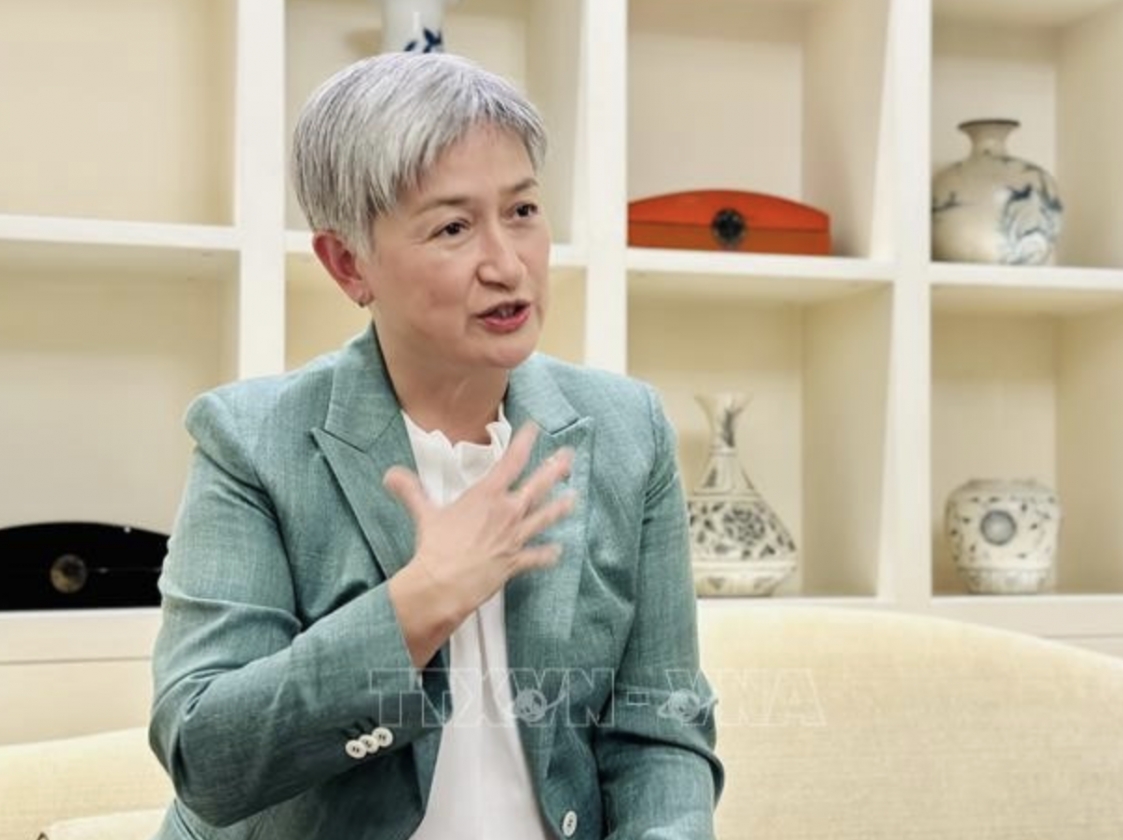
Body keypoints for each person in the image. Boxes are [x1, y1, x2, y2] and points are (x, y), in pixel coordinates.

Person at [148, 51, 723, 840]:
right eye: (453, 227)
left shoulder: (628, 428)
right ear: (348, 264)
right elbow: (205, 757)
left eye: (522, 211)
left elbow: (660, 730)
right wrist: (419, 602)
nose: (507, 264)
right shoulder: (252, 441)